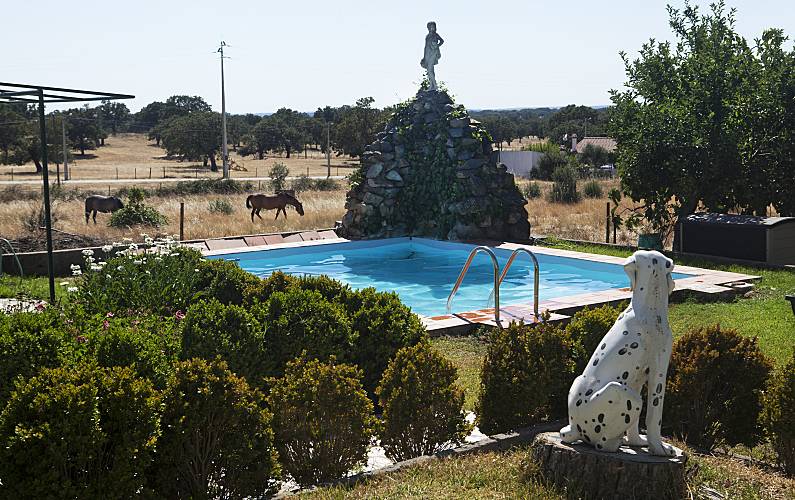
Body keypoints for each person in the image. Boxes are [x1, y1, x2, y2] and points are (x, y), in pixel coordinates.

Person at [420, 21, 444, 90]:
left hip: (433, 52)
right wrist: (424, 57)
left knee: (430, 69)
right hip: (428, 53)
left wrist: (437, 46)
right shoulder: (427, 36)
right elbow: (425, 46)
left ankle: (434, 85)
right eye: (431, 27)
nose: (432, 28)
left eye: (433, 27)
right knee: (429, 70)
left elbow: (442, 41)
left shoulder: (436, 35)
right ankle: (432, 85)